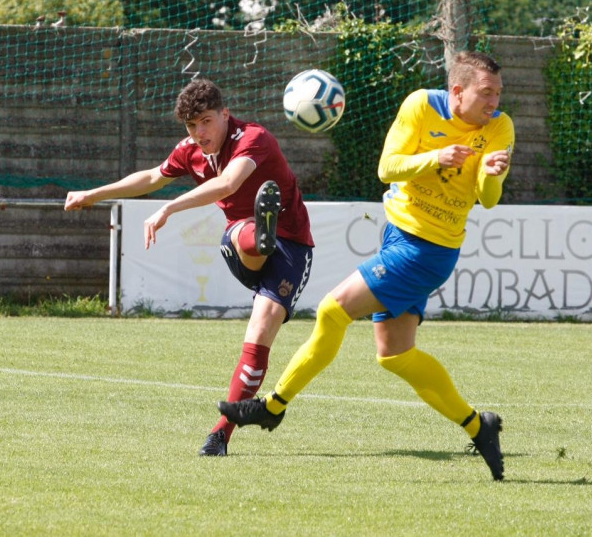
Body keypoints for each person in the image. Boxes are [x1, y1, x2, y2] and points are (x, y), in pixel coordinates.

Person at [219, 51, 513, 481]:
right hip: (400, 237)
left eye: (498, 94)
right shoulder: (421, 106)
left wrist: (490, 172)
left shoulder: (500, 127)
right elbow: (387, 168)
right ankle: (478, 425)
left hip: (427, 251)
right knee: (395, 355)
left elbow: (487, 198)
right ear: (457, 91)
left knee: (332, 310)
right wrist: (436, 158)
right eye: (486, 93)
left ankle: (273, 407)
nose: (494, 103)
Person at [65, 78, 314, 457]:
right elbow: (151, 177)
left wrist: (168, 207)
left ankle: (220, 436)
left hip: (293, 246)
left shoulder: (254, 138)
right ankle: (257, 236)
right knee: (243, 232)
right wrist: (93, 194)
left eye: (207, 121)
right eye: (192, 125)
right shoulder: (190, 150)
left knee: (260, 331)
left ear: (225, 115)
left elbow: (229, 184)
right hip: (242, 244)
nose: (200, 133)